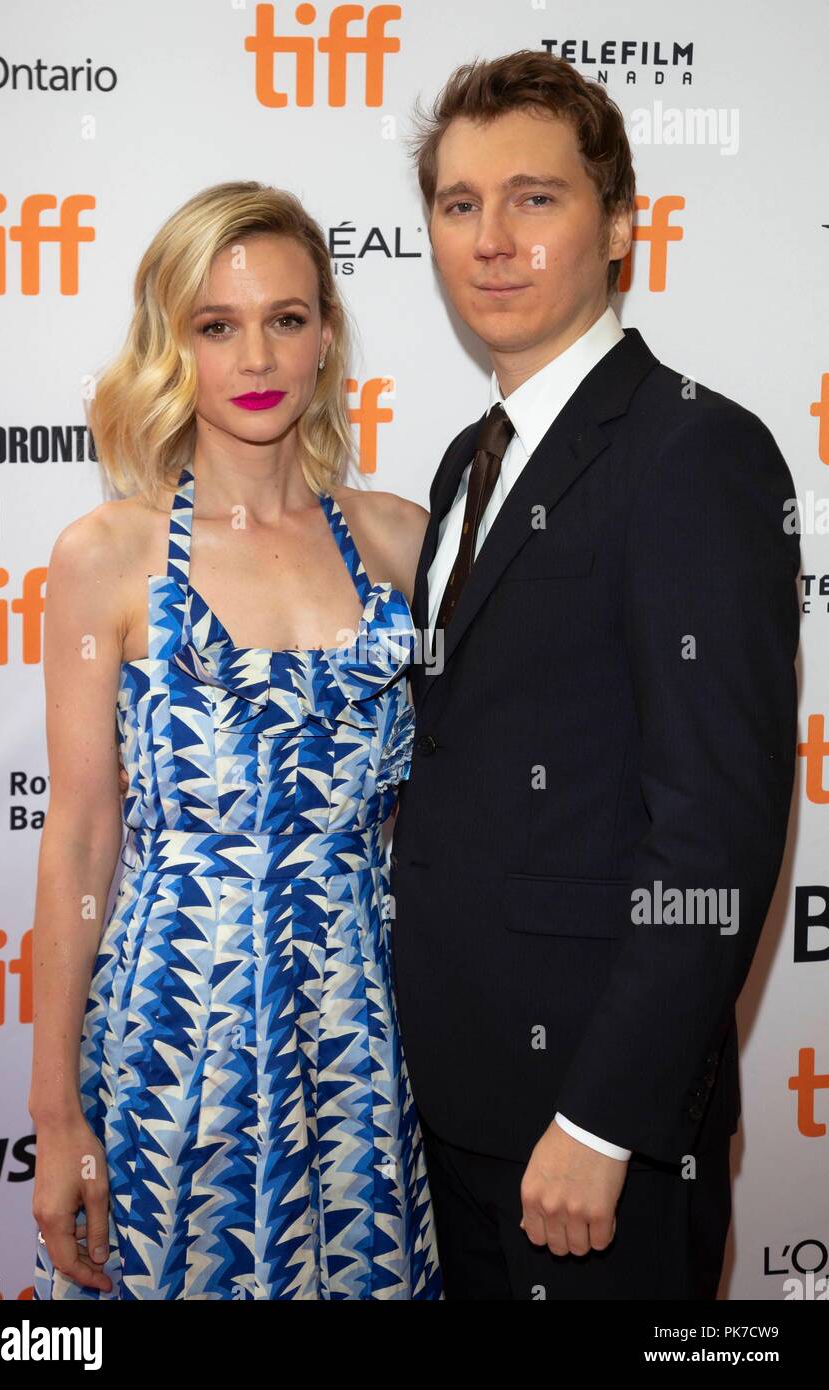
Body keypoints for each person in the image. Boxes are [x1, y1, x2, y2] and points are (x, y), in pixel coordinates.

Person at [388, 50, 801, 1299]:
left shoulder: (693, 449)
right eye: (458, 205)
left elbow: (716, 829)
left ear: (620, 224)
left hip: (589, 1135)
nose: (491, 239)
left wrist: (604, 1117)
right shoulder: (467, 458)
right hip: (450, 1101)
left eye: (535, 197)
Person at [28, 181, 442, 1300]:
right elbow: (75, 839)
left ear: (324, 338)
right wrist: (54, 1108)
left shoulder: (402, 539)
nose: (255, 353)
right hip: (176, 1025)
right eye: (216, 325)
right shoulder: (104, 555)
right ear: (175, 345)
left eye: (287, 318)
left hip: (364, 1021)